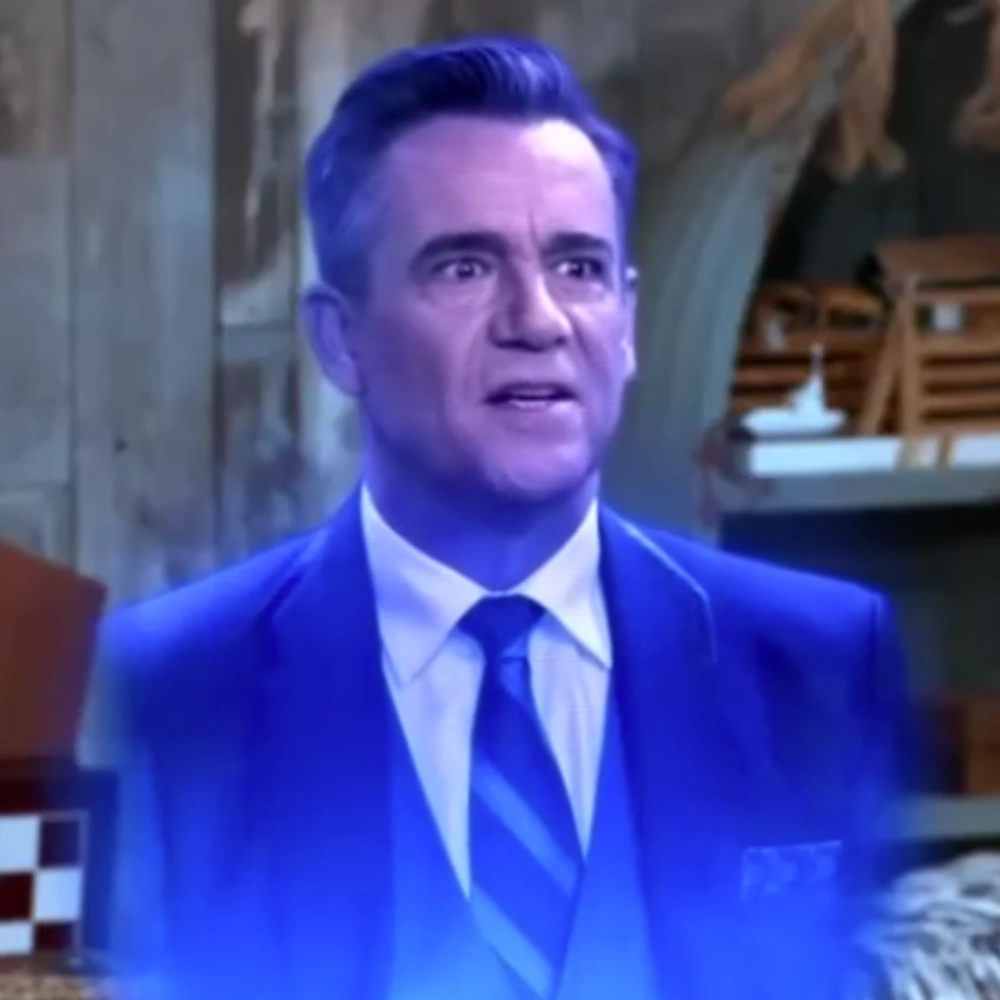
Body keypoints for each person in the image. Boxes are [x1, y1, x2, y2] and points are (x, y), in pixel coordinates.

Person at [97, 35, 916, 1000]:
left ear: (628, 322)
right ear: (342, 339)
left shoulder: (816, 662)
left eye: (578, 267)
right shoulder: (169, 687)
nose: (538, 319)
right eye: (464, 269)